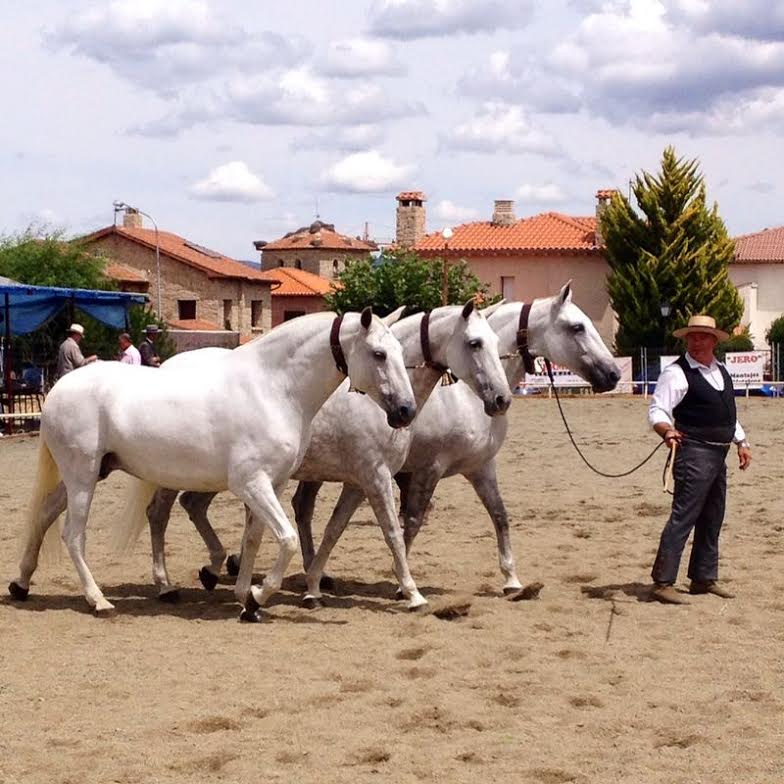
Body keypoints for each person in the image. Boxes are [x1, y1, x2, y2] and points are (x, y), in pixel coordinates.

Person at [648, 314, 752, 605]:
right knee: (684, 516)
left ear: (713, 341)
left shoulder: (722, 371)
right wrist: (666, 430)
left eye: (702, 336)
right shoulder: (676, 372)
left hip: (720, 452)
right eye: (691, 337)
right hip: (693, 451)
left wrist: (741, 441)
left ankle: (703, 578)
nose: (695, 341)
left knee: (712, 517)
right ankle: (663, 582)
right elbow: (658, 410)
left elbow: (729, 414)